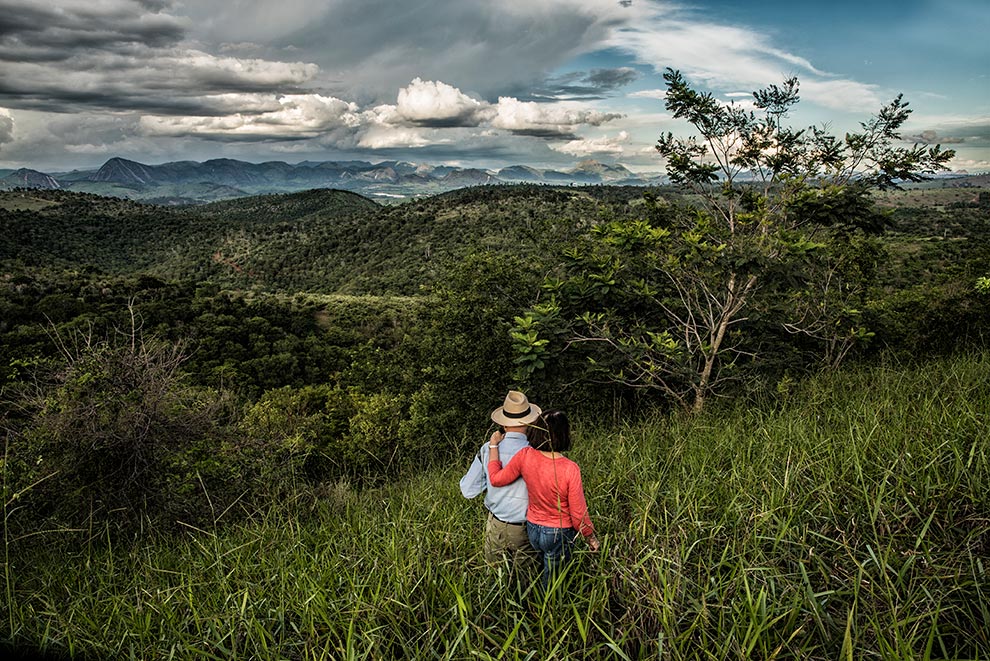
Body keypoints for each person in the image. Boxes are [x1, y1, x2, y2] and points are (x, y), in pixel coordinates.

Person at [487, 409, 600, 588]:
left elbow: (496, 479)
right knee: (554, 581)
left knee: (540, 568)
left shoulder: (525, 455)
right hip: (558, 532)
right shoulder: (570, 468)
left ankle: (532, 601)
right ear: (564, 434)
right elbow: (579, 513)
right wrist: (590, 537)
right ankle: (549, 610)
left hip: (532, 529)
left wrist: (493, 447)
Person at [460, 390, 542, 566]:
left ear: (504, 425)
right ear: (530, 421)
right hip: (527, 528)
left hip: (495, 525)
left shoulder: (488, 449)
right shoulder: (537, 452)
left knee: (496, 583)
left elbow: (468, 490)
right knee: (527, 583)